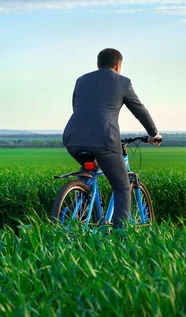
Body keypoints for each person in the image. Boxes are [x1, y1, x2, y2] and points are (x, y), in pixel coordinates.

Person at [63, 48, 162, 230]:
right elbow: (140, 111)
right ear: (118, 65)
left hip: (72, 138)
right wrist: (154, 133)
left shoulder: (81, 80)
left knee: (88, 172)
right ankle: (120, 238)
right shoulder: (123, 82)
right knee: (122, 187)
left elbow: (77, 107)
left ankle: (80, 213)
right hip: (104, 139)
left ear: (98, 64)